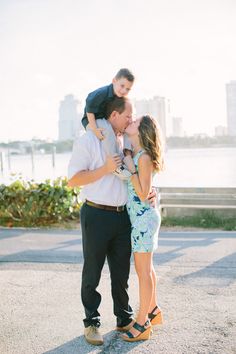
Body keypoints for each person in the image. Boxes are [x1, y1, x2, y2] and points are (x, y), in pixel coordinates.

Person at [68, 97, 157, 346]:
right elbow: (73, 180)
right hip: (95, 214)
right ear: (114, 115)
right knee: (92, 271)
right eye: (128, 116)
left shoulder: (127, 140)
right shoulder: (89, 140)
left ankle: (123, 317)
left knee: (121, 274)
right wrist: (106, 168)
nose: (131, 121)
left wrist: (152, 191)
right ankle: (92, 323)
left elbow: (143, 168)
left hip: (123, 216)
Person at [121, 115, 164, 342]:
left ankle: (142, 323)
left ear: (142, 129)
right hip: (142, 219)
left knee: (143, 272)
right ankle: (154, 310)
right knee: (147, 269)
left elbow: (142, 192)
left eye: (135, 120)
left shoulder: (144, 157)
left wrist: (131, 169)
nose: (131, 120)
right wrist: (130, 160)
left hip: (144, 220)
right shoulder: (138, 154)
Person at [81, 68, 135, 180]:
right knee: (105, 129)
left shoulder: (119, 96)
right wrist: (94, 129)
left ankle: (127, 155)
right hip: (92, 119)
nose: (124, 91)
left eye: (128, 89)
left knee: (127, 128)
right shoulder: (102, 92)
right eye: (122, 86)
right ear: (114, 81)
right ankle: (115, 164)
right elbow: (89, 108)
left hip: (104, 119)